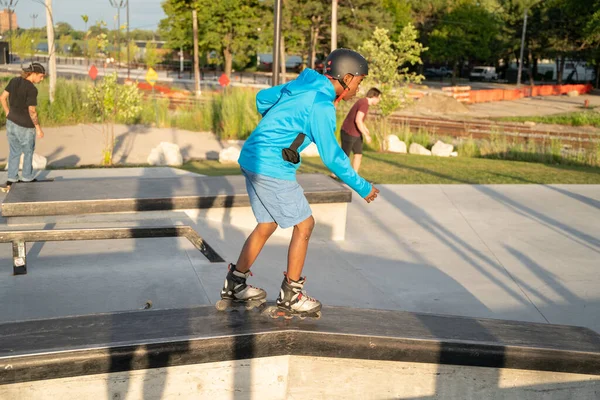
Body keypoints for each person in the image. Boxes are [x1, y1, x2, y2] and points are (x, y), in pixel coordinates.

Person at [217, 48, 380, 319]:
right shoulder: (321, 104)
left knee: (267, 224)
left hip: (252, 155)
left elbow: (262, 99)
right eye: (359, 82)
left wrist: (283, 121)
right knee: (305, 224)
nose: (358, 89)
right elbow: (333, 156)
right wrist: (362, 186)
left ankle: (235, 284)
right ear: (346, 77)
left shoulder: (303, 87)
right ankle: (291, 295)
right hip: (271, 165)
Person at [0, 62, 46, 187]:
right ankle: (26, 177)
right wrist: (38, 128)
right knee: (28, 152)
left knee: (14, 151)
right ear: (33, 74)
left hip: (11, 123)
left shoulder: (14, 81)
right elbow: (32, 111)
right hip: (25, 126)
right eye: (41, 76)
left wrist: (7, 112)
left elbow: (2, 97)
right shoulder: (31, 89)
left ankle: (12, 178)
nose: (41, 79)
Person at [340, 87, 381, 173]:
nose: (379, 100)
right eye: (379, 98)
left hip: (356, 133)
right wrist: (366, 136)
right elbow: (358, 120)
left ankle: (355, 175)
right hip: (348, 132)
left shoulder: (364, 102)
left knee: (358, 154)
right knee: (344, 156)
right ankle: (335, 174)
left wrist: (365, 129)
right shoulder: (364, 103)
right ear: (374, 96)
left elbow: (360, 120)